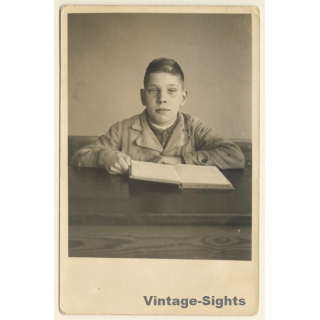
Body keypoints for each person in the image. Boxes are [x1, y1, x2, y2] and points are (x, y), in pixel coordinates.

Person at [70, 58, 245, 174]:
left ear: (182, 98)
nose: (162, 99)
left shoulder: (194, 127)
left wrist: (181, 160)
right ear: (143, 96)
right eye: (154, 91)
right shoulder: (122, 129)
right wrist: (103, 157)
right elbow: (79, 156)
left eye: (171, 91)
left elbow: (235, 155)